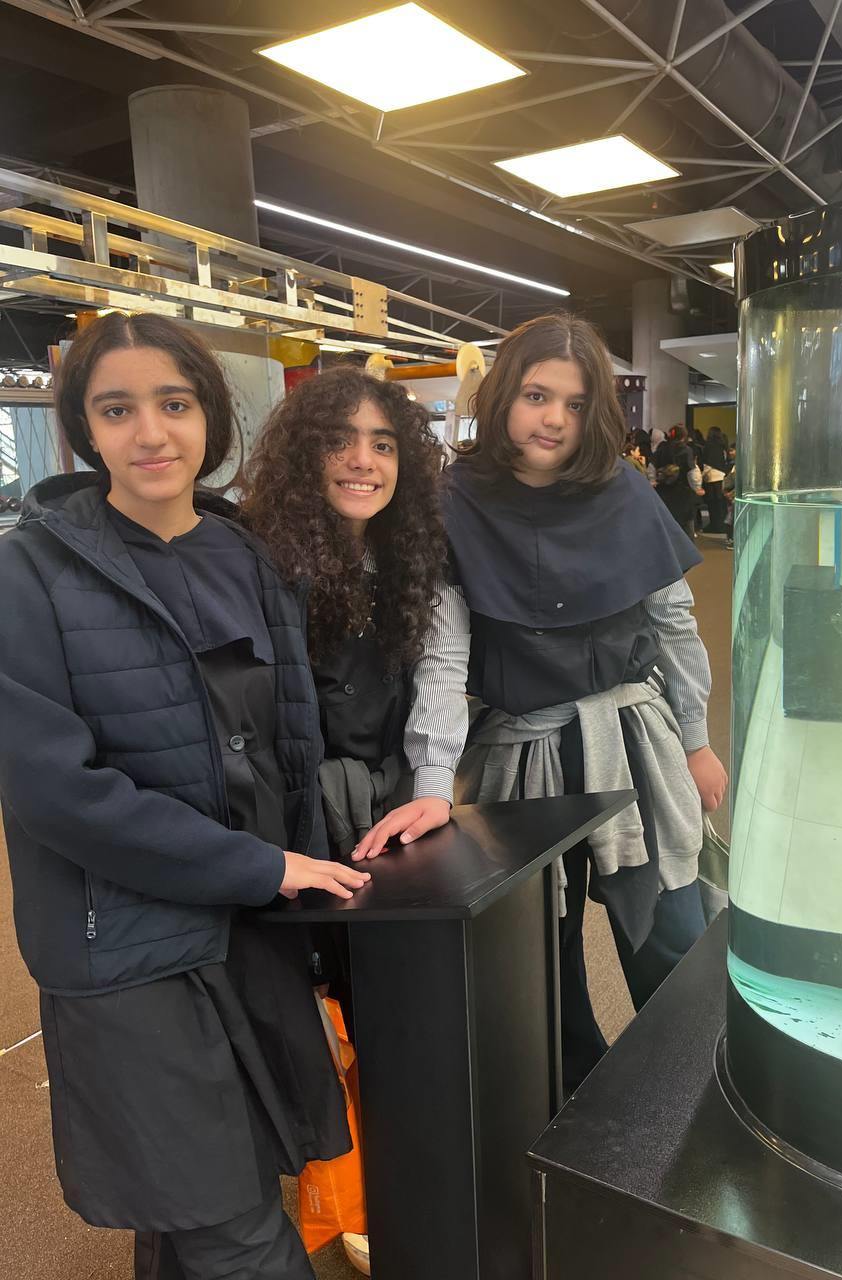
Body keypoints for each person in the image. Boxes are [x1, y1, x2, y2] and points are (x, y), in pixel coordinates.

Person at [0, 313, 371, 1280]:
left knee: (205, 1194)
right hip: (128, 939)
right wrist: (257, 865)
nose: (151, 434)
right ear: (84, 428)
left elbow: (294, 740)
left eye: (173, 403)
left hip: (256, 923)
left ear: (210, 412)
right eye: (116, 410)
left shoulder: (252, 556)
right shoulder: (28, 573)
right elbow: (56, 792)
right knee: (230, 1224)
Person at [437, 313, 727, 1093]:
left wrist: (697, 740)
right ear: (504, 395)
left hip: (631, 737)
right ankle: (576, 1106)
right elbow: (442, 654)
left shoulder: (623, 490)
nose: (554, 419)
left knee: (670, 931)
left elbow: (673, 622)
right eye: (536, 395)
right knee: (538, 956)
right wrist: (431, 781)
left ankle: (694, 1098)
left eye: (574, 402)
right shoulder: (454, 498)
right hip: (516, 750)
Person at [243, 366, 470, 1276]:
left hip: (391, 802)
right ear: (305, 452)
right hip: (288, 809)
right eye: (340, 441)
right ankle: (316, 1189)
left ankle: (382, 1186)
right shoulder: (255, 558)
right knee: (296, 997)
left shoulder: (417, 556)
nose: (363, 461)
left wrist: (434, 782)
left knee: (392, 999)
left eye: (382, 444)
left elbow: (442, 671)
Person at [653, 424, 703, 541]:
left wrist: (653, 482)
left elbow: (651, 468)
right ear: (684, 436)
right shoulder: (687, 450)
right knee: (686, 526)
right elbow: (692, 473)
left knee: (666, 524)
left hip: (663, 492)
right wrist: (697, 487)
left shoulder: (661, 449)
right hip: (683, 493)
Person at [702, 425, 730, 534]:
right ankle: (722, 525)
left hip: (711, 477)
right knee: (721, 504)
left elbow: (707, 463)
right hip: (722, 476)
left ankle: (714, 525)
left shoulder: (708, 446)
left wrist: (702, 475)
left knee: (712, 505)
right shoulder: (723, 446)